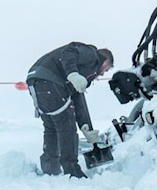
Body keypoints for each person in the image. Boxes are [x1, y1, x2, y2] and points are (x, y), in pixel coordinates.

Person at [26, 43, 113, 178]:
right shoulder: (92, 54)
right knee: (67, 125)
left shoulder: (80, 72)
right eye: (106, 70)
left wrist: (86, 127)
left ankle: (50, 168)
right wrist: (73, 74)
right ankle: (72, 170)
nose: (101, 74)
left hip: (36, 81)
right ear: (106, 61)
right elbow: (69, 52)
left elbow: (77, 99)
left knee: (52, 126)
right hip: (50, 80)